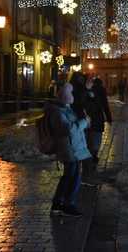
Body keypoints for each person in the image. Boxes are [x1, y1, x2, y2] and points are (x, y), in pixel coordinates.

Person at [49, 83, 91, 217]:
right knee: (73, 177)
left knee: (71, 176)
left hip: (74, 148)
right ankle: (68, 204)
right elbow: (69, 129)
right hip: (68, 149)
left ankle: (59, 203)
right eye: (70, 96)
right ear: (65, 98)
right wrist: (84, 122)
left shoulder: (67, 109)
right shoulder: (57, 112)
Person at [89, 78, 112, 164]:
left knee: (91, 136)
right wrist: (109, 118)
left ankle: (91, 153)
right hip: (98, 117)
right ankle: (94, 153)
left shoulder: (89, 90)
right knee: (97, 136)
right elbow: (105, 105)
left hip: (90, 118)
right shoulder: (102, 90)